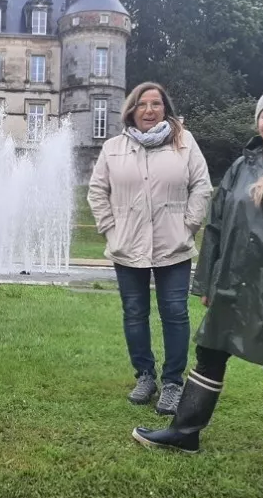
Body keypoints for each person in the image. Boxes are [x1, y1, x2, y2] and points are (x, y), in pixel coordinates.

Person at [131, 87, 263, 490]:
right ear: (258, 123)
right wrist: (209, 279)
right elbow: (215, 227)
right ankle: (185, 432)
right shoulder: (241, 168)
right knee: (210, 352)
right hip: (233, 281)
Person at [88, 82, 212, 416]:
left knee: (175, 313)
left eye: (156, 104)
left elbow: (201, 185)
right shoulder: (114, 147)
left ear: (165, 109)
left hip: (174, 244)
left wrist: (189, 225)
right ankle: (145, 375)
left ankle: (172, 382)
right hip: (127, 245)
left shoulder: (184, 143)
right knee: (134, 313)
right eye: (142, 104)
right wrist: (110, 230)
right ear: (131, 110)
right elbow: (97, 191)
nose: (149, 110)